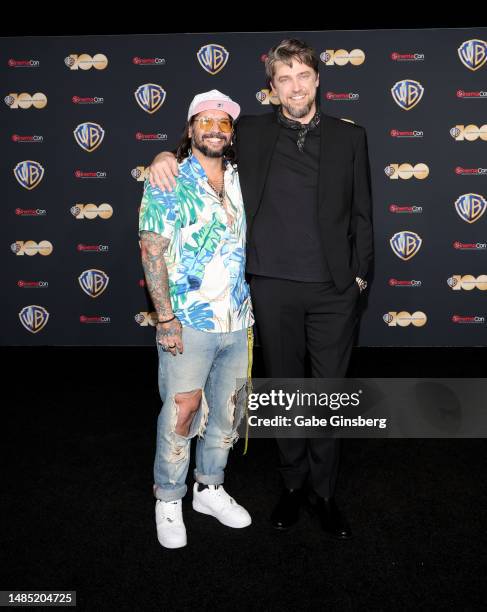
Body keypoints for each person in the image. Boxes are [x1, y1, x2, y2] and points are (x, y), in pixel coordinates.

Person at [148, 39, 374, 539]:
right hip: (271, 289)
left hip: (334, 292)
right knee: (287, 394)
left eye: (302, 76)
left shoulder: (349, 137)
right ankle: (293, 487)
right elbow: (200, 139)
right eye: (283, 79)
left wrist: (359, 279)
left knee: (328, 397)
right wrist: (165, 153)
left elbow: (363, 215)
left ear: (316, 80)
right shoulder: (247, 131)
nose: (294, 86)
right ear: (272, 90)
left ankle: (325, 493)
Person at [138, 89, 254, 549]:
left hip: (239, 319)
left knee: (227, 412)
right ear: (190, 130)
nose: (213, 128)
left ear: (230, 133)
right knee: (182, 411)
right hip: (187, 320)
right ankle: (168, 498)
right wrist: (164, 318)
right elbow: (152, 248)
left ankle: (210, 488)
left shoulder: (244, 177)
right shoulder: (167, 178)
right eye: (203, 121)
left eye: (222, 123)